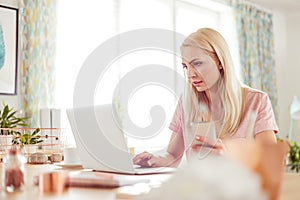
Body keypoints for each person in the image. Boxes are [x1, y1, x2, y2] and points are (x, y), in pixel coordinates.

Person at [133, 28, 278, 167]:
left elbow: (271, 163)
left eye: (197, 64)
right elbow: (172, 155)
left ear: (220, 62)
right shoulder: (186, 102)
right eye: (186, 66)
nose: (190, 74)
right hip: (199, 190)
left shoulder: (257, 101)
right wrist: (155, 159)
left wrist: (230, 157)